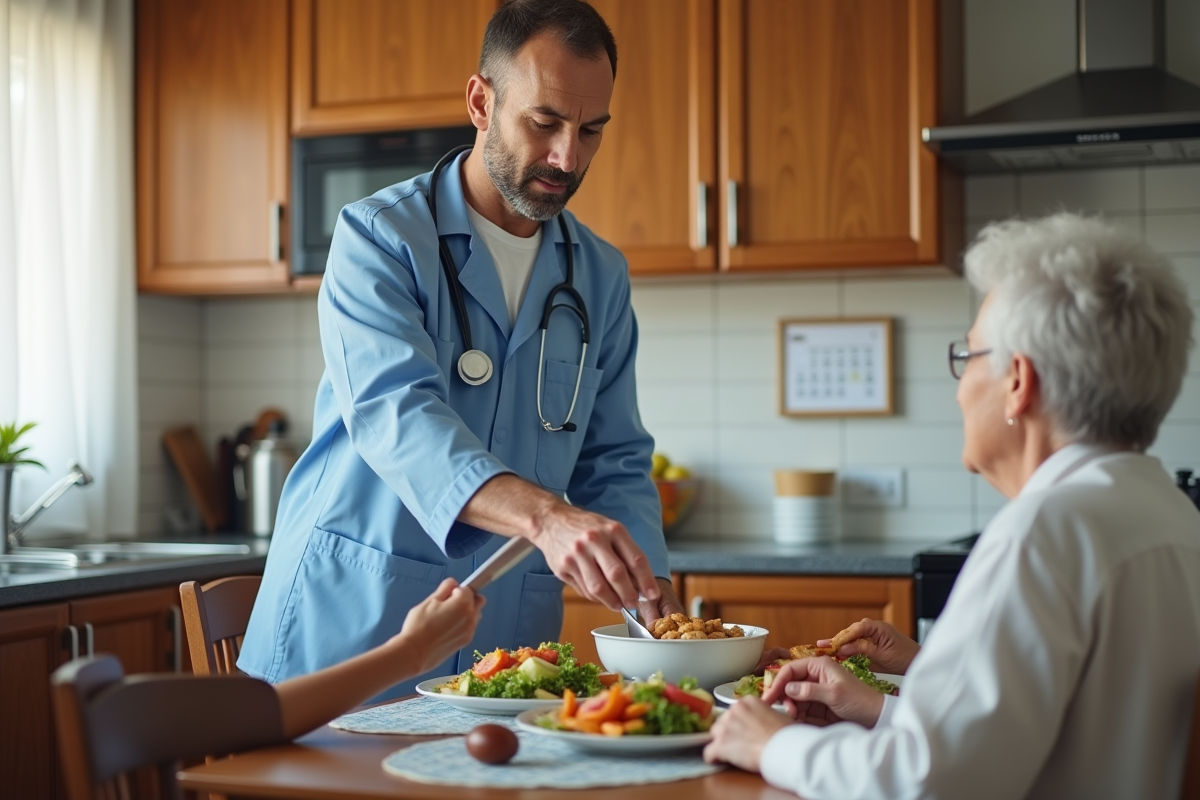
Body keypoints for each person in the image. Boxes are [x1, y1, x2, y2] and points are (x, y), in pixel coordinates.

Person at [238, 0, 683, 699]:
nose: (568, 157)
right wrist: (547, 518)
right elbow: (398, 417)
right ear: (481, 102)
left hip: (502, 642)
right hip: (355, 628)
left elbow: (615, 458)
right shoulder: (379, 238)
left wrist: (650, 590)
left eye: (591, 129)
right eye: (544, 122)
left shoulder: (599, 274)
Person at [704, 212, 1200, 799]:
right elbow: (1038, 742)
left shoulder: (1044, 532)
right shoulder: (1172, 514)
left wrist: (773, 744)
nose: (960, 389)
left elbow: (926, 783)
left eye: (967, 357)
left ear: (1018, 381)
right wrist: (893, 698)